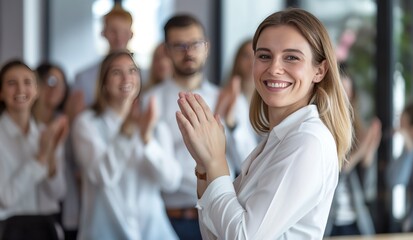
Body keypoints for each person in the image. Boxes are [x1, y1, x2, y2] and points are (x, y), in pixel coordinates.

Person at [175, 8, 353, 239]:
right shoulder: (276, 140)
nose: (274, 68)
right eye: (264, 56)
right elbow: (213, 232)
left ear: (319, 70)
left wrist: (216, 160)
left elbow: (243, 236)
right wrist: (203, 167)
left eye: (291, 57)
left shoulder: (307, 141)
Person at [143, 14, 257, 240]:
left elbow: (248, 162)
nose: (188, 52)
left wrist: (232, 123)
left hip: (222, 214)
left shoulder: (228, 98)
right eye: (179, 45)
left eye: (195, 44)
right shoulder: (150, 101)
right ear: (166, 51)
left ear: (207, 47)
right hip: (169, 219)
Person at [71, 50, 181, 240]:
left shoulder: (155, 123)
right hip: (104, 233)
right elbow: (102, 176)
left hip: (153, 232)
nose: (126, 78)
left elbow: (171, 181)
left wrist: (147, 140)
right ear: (104, 82)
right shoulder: (87, 123)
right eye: (116, 72)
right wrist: (127, 131)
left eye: (132, 71)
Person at [0, 60, 68, 236]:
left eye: (27, 82)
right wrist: (40, 158)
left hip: (46, 230)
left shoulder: (45, 133)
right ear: (1, 92)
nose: (21, 90)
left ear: (37, 91)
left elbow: (58, 193)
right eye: (11, 83)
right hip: (9, 231)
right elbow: (6, 199)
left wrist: (51, 157)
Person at [324, 63, 381, 236]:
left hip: (357, 222)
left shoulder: (359, 131)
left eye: (346, 91)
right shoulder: (320, 129)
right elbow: (333, 176)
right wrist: (360, 153)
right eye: (338, 90)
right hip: (327, 223)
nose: (342, 97)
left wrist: (369, 154)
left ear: (352, 94)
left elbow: (367, 190)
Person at [34, 62, 85, 240]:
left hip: (67, 207)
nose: (57, 88)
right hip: (33, 213)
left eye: (62, 83)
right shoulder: (28, 124)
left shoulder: (65, 121)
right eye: (51, 81)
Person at [73, 4, 136, 107]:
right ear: (103, 33)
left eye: (124, 32)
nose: (119, 38)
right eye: (113, 31)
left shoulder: (144, 76)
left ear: (131, 34)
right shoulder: (84, 78)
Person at [386, 103, 413, 232]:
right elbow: (393, 180)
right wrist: (408, 150)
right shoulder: (412, 150)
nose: (399, 129)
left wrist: (411, 222)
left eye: (403, 125)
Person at [226, 38, 254, 105]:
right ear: (238, 60)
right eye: (246, 56)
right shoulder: (223, 93)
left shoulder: (269, 97)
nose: (252, 62)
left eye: (257, 56)